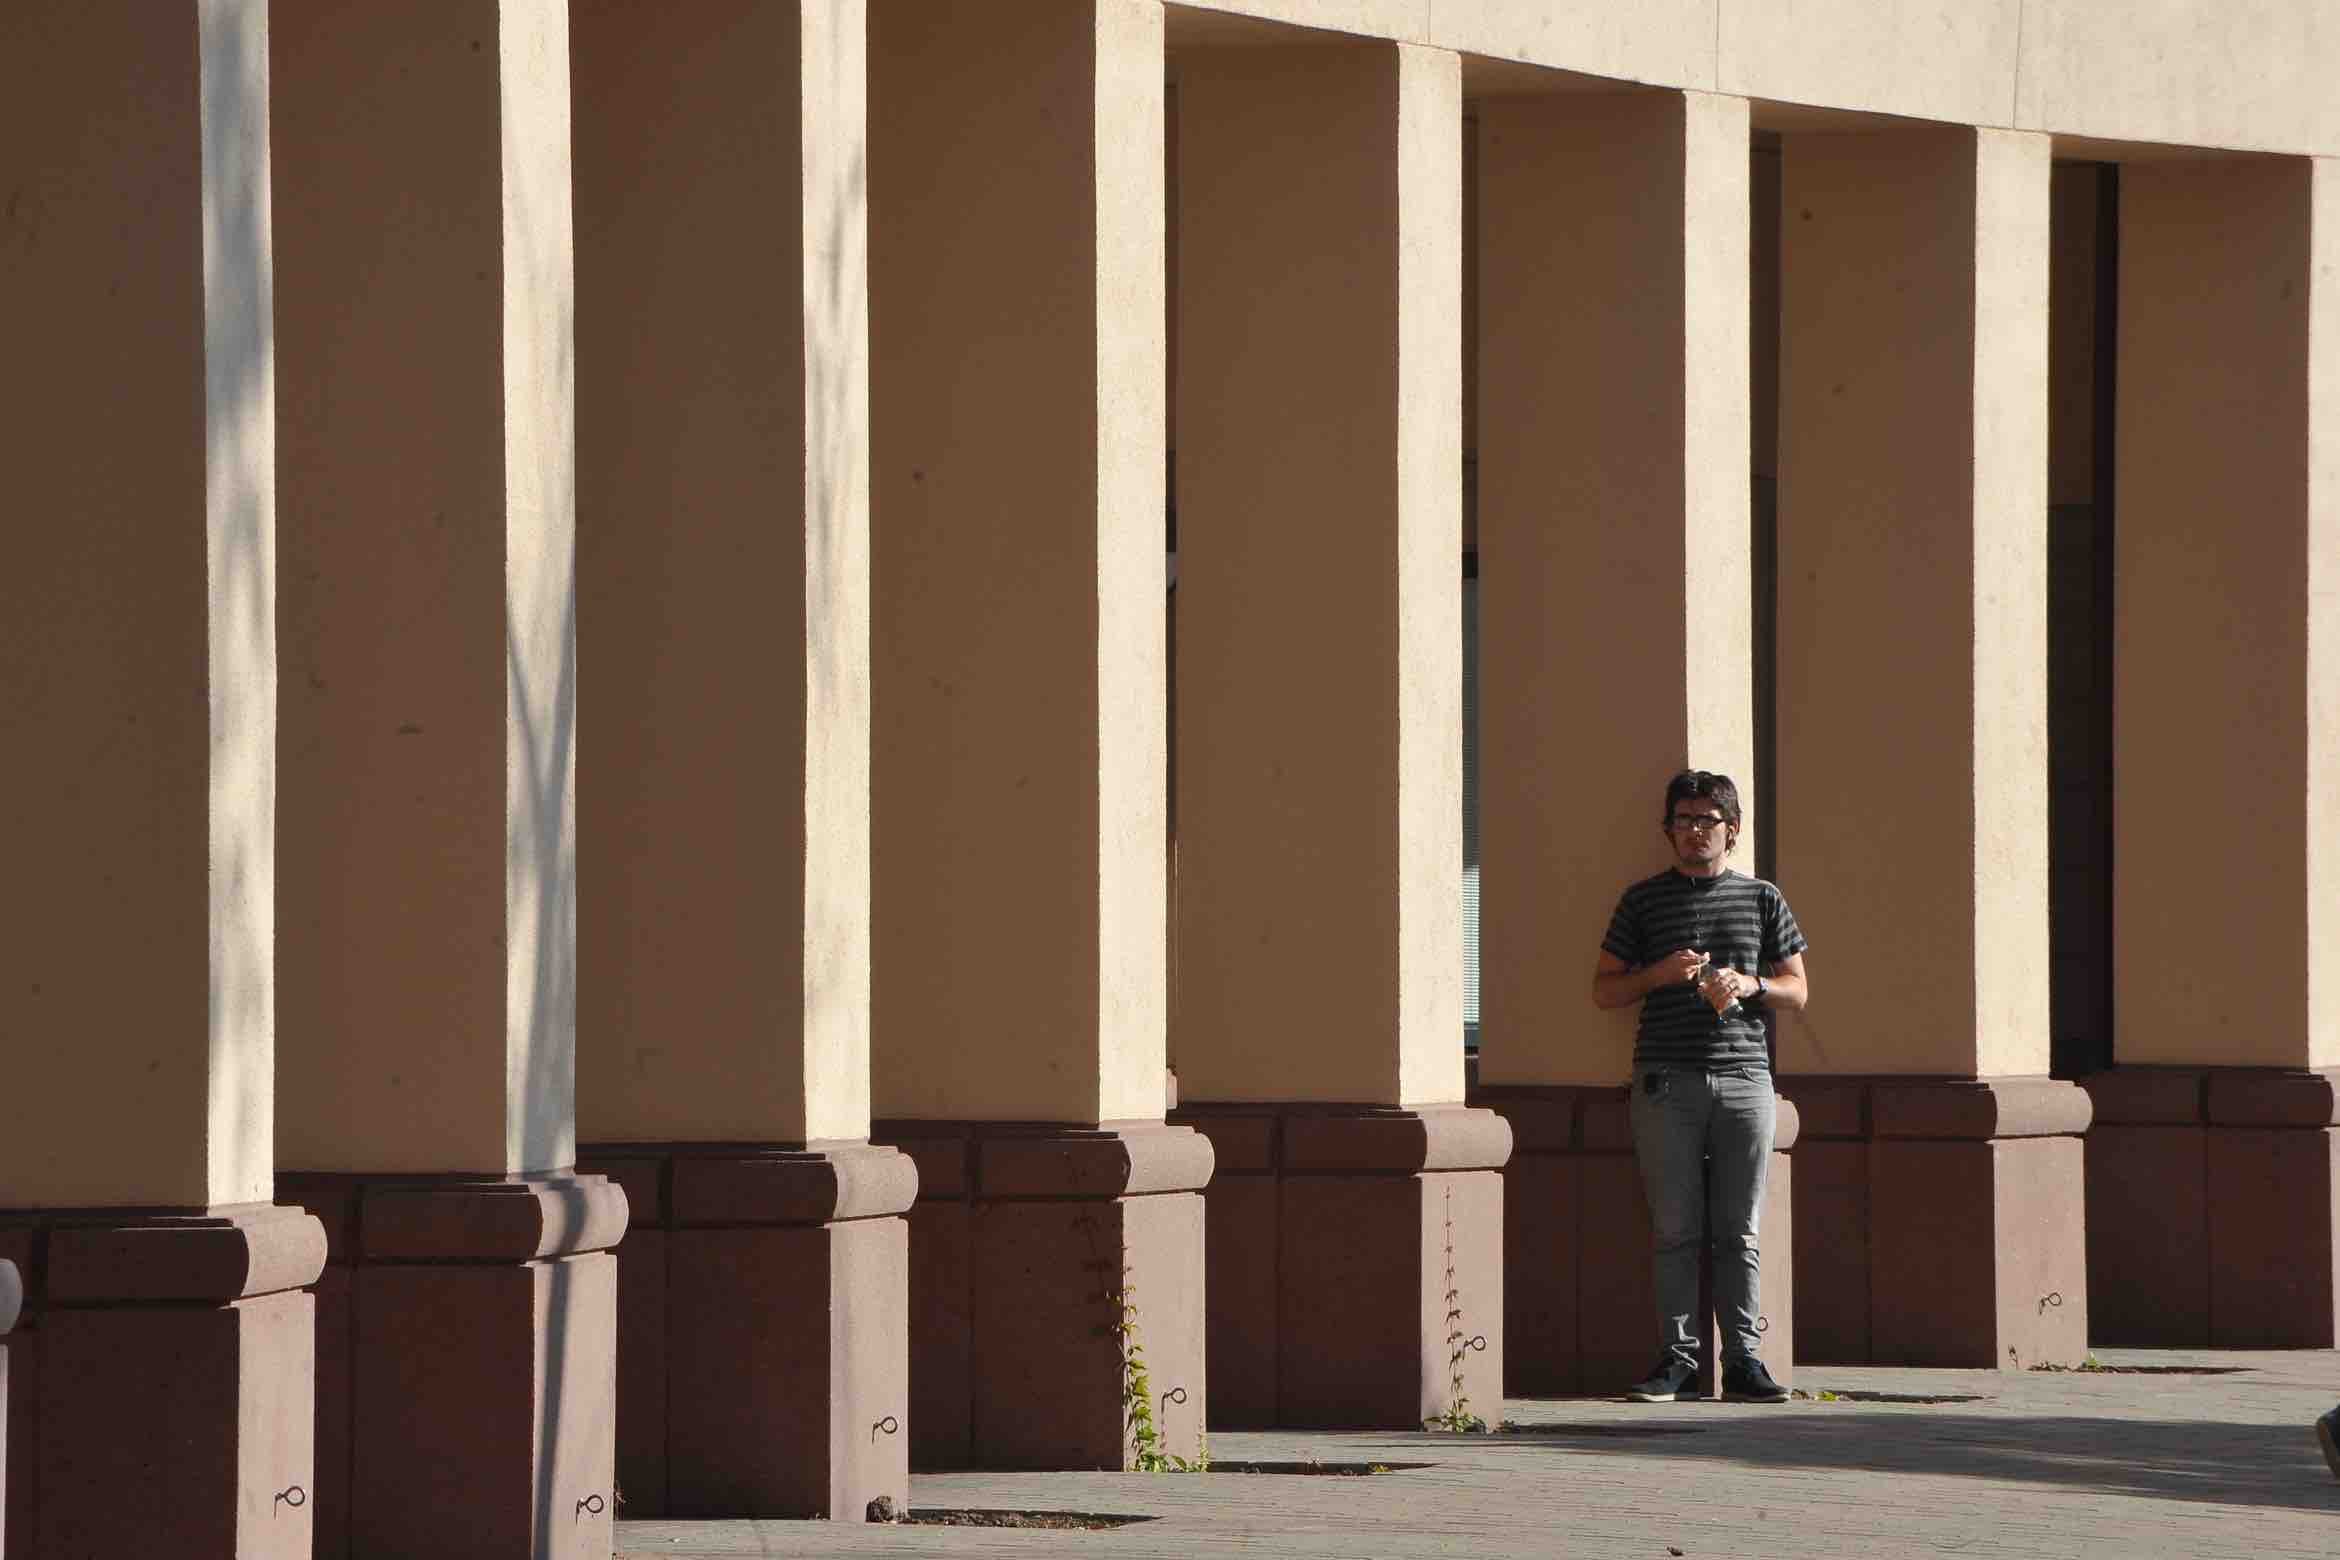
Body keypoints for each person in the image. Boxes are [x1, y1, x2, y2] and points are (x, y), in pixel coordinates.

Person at [1590, 769, 1809, 1404]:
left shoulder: (1763, 898)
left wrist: (1749, 985)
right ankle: (1678, 1362)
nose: (1693, 832)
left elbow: (1798, 990)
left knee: (1738, 1228)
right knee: (1676, 1227)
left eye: (1706, 821)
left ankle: (1743, 1361)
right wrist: (1657, 975)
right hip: (1666, 1081)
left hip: (1745, 1078)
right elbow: (1604, 989)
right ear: (1668, 831)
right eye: (1682, 821)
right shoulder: (1642, 901)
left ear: (1731, 830)